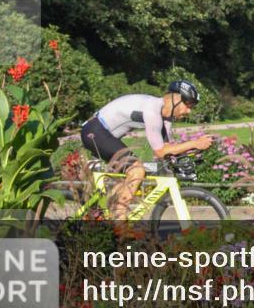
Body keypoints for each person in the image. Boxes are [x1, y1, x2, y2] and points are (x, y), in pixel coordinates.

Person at [81, 80, 213, 219]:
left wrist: (189, 151)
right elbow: (160, 151)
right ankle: (119, 221)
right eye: (188, 105)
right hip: (95, 132)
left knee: (133, 176)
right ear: (175, 99)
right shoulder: (152, 110)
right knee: (137, 170)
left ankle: (102, 213)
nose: (189, 111)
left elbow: (166, 149)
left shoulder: (166, 117)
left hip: (104, 135)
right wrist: (195, 143)